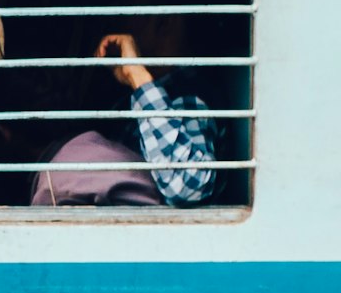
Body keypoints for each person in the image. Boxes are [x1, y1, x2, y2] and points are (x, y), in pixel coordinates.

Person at [32, 29, 221, 208]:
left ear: (162, 23)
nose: (118, 24)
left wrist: (137, 75)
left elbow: (186, 185)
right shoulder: (128, 97)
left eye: (129, 12)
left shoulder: (187, 98)